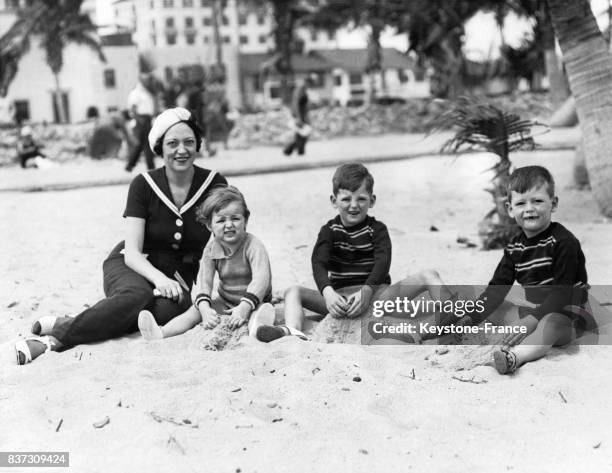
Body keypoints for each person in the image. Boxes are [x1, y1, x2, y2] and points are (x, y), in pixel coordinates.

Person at [15, 107, 227, 364]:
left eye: (188, 142)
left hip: (179, 277)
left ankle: (77, 319)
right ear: (160, 148)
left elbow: (223, 242)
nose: (181, 150)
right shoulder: (143, 185)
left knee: (162, 313)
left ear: (197, 145)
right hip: (132, 263)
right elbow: (133, 252)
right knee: (137, 297)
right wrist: (159, 280)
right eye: (172, 143)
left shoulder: (215, 184)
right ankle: (55, 340)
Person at [255, 163, 453, 342]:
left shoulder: (377, 230)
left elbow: (383, 262)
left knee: (429, 275)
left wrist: (367, 291)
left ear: (372, 200)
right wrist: (328, 292)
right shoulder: (329, 231)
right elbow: (318, 263)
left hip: (376, 296)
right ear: (334, 200)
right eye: (346, 199)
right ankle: (292, 330)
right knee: (293, 291)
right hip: (340, 301)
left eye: (361, 199)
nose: (354, 205)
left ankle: (451, 315)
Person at [461, 166, 592, 374]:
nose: (529, 208)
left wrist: (530, 321)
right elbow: (497, 288)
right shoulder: (515, 247)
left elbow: (562, 294)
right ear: (510, 209)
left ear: (553, 203)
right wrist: (467, 320)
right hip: (534, 311)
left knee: (550, 323)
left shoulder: (563, 242)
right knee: (495, 305)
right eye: (521, 203)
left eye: (538, 201)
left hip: (567, 316)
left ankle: (515, 357)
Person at [138, 185, 275, 340]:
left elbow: (261, 279)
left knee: (259, 313)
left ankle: (259, 328)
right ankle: (161, 333)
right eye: (221, 220)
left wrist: (244, 307)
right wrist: (204, 309)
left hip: (255, 300)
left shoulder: (253, 246)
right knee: (193, 311)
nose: (229, 225)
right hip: (226, 300)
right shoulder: (211, 249)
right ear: (210, 225)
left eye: (235, 218)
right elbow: (204, 281)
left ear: (245, 220)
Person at [125, 74, 156, 172]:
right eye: (146, 80)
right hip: (141, 120)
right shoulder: (136, 93)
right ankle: (151, 166)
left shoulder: (146, 92)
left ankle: (130, 165)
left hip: (147, 119)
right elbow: (133, 108)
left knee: (140, 145)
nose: (148, 82)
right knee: (147, 144)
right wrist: (139, 120)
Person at [283, 78, 311, 157]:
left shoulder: (303, 90)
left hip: (302, 115)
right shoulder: (299, 90)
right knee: (303, 133)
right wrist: (299, 118)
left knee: (302, 133)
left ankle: (297, 151)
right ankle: (290, 150)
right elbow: (297, 105)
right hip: (298, 115)